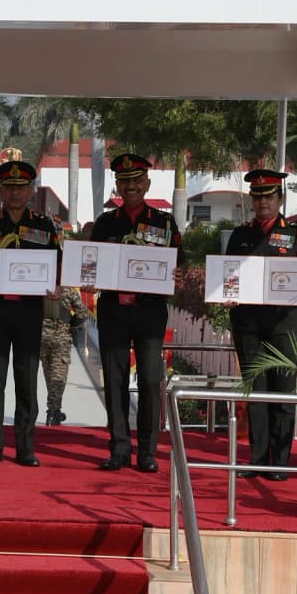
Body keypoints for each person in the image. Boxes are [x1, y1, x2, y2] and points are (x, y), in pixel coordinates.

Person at [225, 169, 297, 481]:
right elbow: (228, 276)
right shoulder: (240, 236)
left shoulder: (296, 234)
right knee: (256, 393)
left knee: (283, 392)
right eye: (257, 197)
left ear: (279, 199)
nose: (262, 202)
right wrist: (225, 292)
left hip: (285, 325)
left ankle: (280, 462)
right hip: (249, 325)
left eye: (269, 196)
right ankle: (257, 459)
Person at [91, 154, 184, 474]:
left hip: (149, 310)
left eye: (136, 180)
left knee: (149, 379)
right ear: (117, 184)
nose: (130, 186)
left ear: (146, 183)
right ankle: (118, 448)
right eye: (124, 181)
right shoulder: (105, 223)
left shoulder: (164, 222)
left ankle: (147, 451)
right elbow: (91, 266)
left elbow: (178, 265)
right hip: (113, 309)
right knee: (114, 380)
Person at [0, 160, 61, 467]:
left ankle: (25, 448)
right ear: (1, 191)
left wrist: (55, 285)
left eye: (21, 188)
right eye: (9, 187)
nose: (14, 193)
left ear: (31, 191)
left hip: (29, 311)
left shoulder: (45, 227)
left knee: (27, 378)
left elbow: (57, 267)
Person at [40, 286, 88, 426]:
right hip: (60, 338)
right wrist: (70, 324)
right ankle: (53, 412)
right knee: (58, 376)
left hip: (42, 337)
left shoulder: (40, 287)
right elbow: (83, 313)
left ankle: (54, 409)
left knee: (49, 374)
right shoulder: (68, 290)